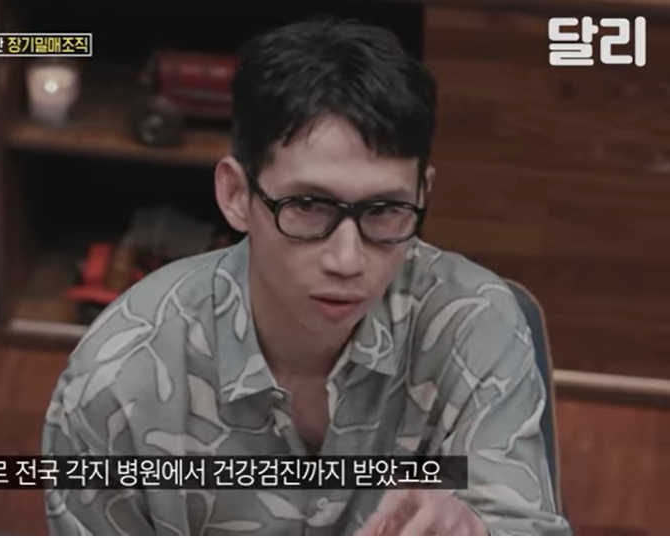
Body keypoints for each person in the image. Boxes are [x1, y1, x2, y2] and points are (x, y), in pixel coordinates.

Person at [42, 16, 572, 536]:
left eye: (384, 210)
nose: (347, 259)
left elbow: (522, 523)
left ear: (422, 194)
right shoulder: (115, 384)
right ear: (235, 195)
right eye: (308, 206)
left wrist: (480, 530)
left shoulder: (472, 321)